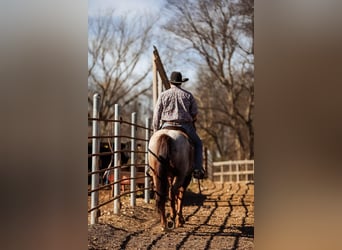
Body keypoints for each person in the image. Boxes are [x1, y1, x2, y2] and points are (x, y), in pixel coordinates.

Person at [152, 71, 205, 179]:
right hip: (185, 126)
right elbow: (194, 113)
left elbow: (156, 114)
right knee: (198, 144)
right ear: (181, 83)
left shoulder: (163, 95)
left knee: (152, 144)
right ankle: (197, 169)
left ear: (171, 82)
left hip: (166, 125)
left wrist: (155, 130)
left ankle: (150, 168)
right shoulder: (188, 95)